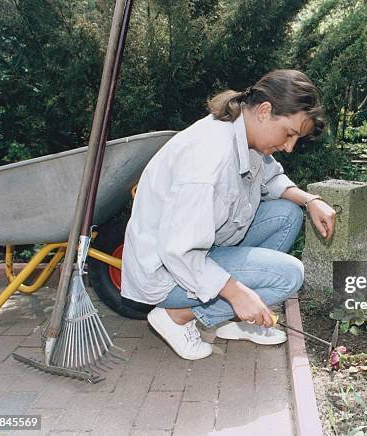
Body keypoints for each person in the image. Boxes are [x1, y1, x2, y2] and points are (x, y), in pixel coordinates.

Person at [120, 69, 336, 360]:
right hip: (168, 271)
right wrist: (236, 293)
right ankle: (177, 315)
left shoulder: (246, 136)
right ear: (264, 110)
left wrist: (311, 200)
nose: (289, 147)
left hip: (205, 246)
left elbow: (272, 180)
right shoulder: (208, 158)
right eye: (289, 134)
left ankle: (230, 321)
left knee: (288, 215)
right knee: (288, 276)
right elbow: (179, 251)